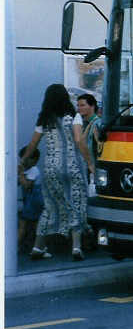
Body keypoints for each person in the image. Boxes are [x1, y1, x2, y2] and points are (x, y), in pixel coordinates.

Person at [20, 84, 89, 261]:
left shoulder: (44, 120)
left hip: (51, 169)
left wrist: (22, 161)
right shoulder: (74, 117)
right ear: (66, 98)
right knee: (76, 204)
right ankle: (76, 247)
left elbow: (33, 144)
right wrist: (91, 164)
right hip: (71, 167)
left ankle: (38, 246)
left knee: (50, 207)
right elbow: (79, 141)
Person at [17, 146, 43, 254]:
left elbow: (27, 186)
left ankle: (15, 246)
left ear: (34, 160)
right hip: (30, 201)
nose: (23, 162)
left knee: (23, 225)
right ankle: (39, 246)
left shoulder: (34, 170)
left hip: (33, 202)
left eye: (26, 159)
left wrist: (21, 173)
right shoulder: (29, 170)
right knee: (34, 225)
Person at [73, 93, 100, 180]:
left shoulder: (97, 124)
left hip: (94, 169)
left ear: (92, 106)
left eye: (82, 105)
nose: (79, 108)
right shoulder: (82, 124)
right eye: (78, 106)